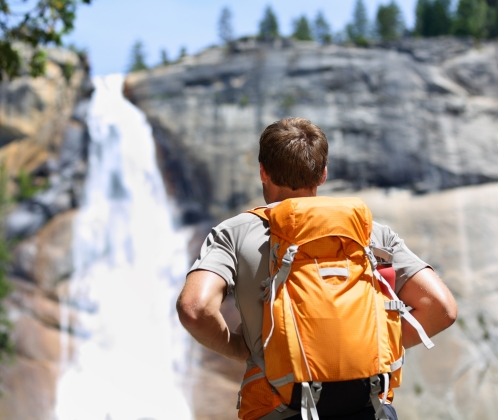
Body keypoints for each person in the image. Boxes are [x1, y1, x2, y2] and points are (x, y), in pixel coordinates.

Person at [176, 117, 457, 420]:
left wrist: (237, 348)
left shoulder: (236, 232)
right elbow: (440, 308)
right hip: (367, 409)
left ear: (263, 171)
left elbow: (194, 307)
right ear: (323, 175)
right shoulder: (370, 233)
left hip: (280, 410)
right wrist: (372, 349)